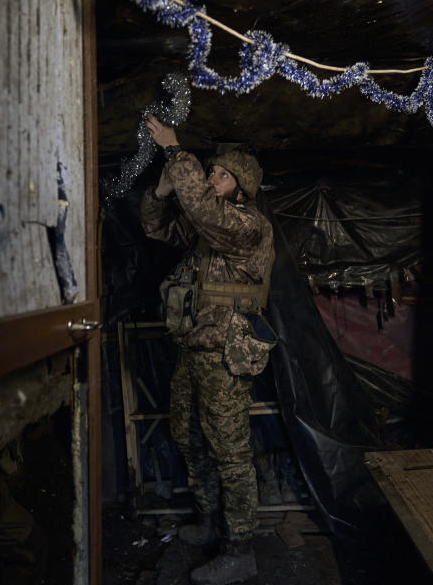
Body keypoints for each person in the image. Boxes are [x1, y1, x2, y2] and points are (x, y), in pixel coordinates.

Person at [140, 114, 276, 585]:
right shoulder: (207, 234)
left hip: (224, 356)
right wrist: (159, 194)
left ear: (242, 188)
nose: (210, 178)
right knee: (189, 436)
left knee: (230, 451)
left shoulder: (246, 225)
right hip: (193, 349)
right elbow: (159, 231)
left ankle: (240, 549)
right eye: (210, 171)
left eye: (220, 174)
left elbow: (201, 209)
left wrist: (177, 152)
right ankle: (209, 520)